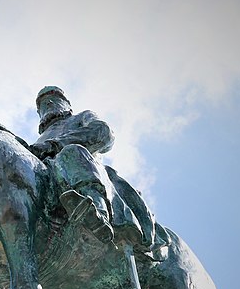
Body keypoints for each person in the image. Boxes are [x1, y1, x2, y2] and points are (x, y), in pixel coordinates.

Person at [30, 86, 169, 254]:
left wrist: (55, 145)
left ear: (67, 103)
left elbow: (103, 132)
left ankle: (97, 212)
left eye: (54, 97)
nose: (49, 103)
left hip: (83, 168)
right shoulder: (39, 140)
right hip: (55, 182)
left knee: (71, 153)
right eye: (43, 104)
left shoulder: (82, 117)